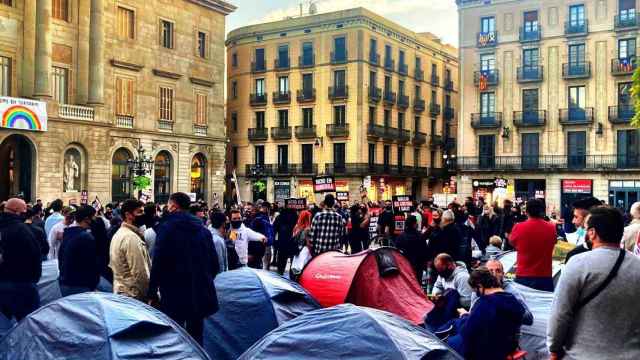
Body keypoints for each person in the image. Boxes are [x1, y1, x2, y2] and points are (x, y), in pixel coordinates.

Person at [548, 206, 640, 360]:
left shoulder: (578, 264)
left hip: (582, 354)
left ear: (592, 233)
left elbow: (560, 314)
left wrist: (554, 348)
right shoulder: (637, 265)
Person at [147, 192, 220, 345]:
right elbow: (214, 264)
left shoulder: (166, 229)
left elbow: (158, 262)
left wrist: (152, 290)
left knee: (175, 335)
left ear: (173, 207)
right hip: (198, 290)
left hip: (174, 291)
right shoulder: (203, 230)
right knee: (196, 334)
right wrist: (203, 279)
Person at [448, 267, 533, 360]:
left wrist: (464, 316)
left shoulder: (485, 302)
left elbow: (468, 332)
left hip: (489, 351)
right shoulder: (512, 298)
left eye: (475, 290)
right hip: (508, 347)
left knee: (449, 343)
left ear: (480, 286)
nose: (476, 293)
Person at [0, 198, 43, 321]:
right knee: (28, 324)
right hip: (22, 284)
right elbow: (35, 256)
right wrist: (34, 279)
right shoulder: (23, 230)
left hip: (4, 282)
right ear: (18, 212)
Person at [509, 198, 556, 292]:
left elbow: (512, 243)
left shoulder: (518, 227)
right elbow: (554, 242)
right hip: (544, 276)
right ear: (542, 211)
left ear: (526, 212)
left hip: (523, 275)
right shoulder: (551, 228)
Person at [109, 199, 151, 301]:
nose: (143, 214)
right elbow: (140, 273)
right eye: (139, 212)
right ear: (128, 215)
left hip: (122, 292)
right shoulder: (130, 237)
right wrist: (149, 295)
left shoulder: (121, 233)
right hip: (132, 295)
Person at [58, 205, 101, 296]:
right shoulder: (86, 237)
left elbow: (60, 257)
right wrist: (93, 285)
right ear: (87, 219)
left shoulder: (68, 234)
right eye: (94, 216)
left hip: (65, 283)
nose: (95, 219)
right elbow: (92, 264)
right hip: (80, 285)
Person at [395, 215, 428, 284]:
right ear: (414, 224)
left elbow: (397, 252)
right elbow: (425, 252)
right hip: (418, 266)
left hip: (405, 266)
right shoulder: (420, 236)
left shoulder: (400, 237)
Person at [272, 207, 298, 275]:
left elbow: (274, 229)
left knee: (281, 262)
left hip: (282, 241)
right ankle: (292, 278)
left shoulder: (280, 216)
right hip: (293, 242)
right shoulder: (296, 216)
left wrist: (274, 241)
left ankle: (280, 276)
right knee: (293, 263)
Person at [250, 202, 274, 270]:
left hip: (258, 246)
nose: (250, 211)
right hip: (258, 246)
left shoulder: (259, 217)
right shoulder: (261, 218)